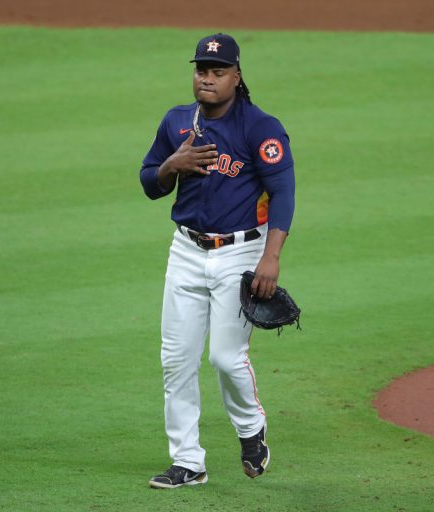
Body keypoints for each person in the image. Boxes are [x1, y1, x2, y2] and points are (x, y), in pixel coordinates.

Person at [138, 33, 295, 489]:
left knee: (226, 358)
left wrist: (271, 258)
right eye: (201, 70)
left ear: (237, 76)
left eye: (218, 71)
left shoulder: (260, 128)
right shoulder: (176, 122)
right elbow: (149, 182)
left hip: (241, 252)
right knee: (176, 360)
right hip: (186, 251)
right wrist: (172, 165)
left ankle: (250, 429)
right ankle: (188, 461)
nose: (207, 79)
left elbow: (283, 193)